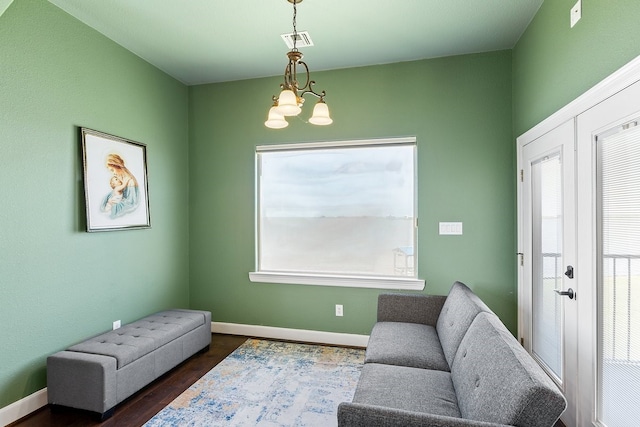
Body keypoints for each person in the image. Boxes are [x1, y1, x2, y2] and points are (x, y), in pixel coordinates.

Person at [100, 153, 140, 219]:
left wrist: (115, 205)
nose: (113, 173)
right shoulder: (119, 178)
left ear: (118, 166)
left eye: (112, 170)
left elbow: (132, 203)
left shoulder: (130, 181)